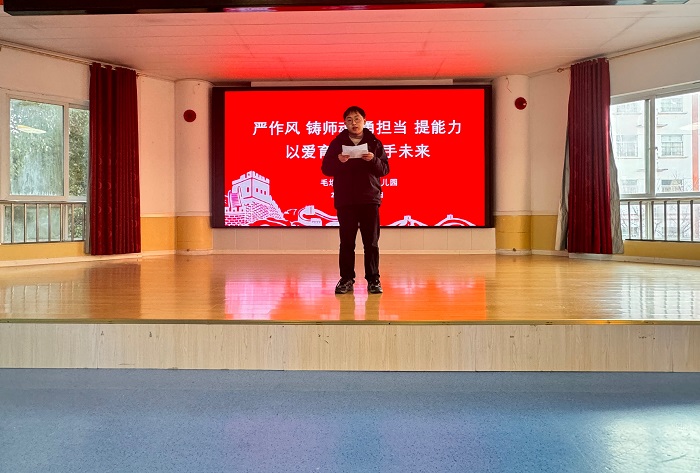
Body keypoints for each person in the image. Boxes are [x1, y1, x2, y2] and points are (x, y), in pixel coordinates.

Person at [321, 105, 390, 295]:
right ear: (344, 123)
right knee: (347, 242)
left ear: (364, 121)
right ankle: (346, 279)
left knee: (371, 243)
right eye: (349, 120)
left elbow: (385, 169)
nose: (354, 123)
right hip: (346, 200)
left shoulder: (374, 142)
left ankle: (373, 279)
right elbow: (326, 169)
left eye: (357, 119)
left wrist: (373, 159)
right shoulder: (337, 143)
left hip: (369, 199)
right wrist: (339, 161)